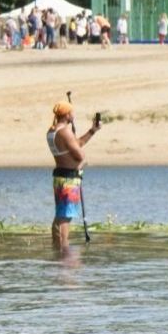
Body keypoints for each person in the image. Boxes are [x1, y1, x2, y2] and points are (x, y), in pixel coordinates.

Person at [47, 101, 101, 251]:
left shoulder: (53, 131)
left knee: (60, 214)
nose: (74, 115)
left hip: (59, 177)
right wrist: (82, 164)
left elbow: (75, 144)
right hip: (69, 179)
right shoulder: (65, 131)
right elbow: (79, 154)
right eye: (72, 112)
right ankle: (64, 250)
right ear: (67, 115)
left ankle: (56, 248)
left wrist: (92, 131)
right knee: (65, 216)